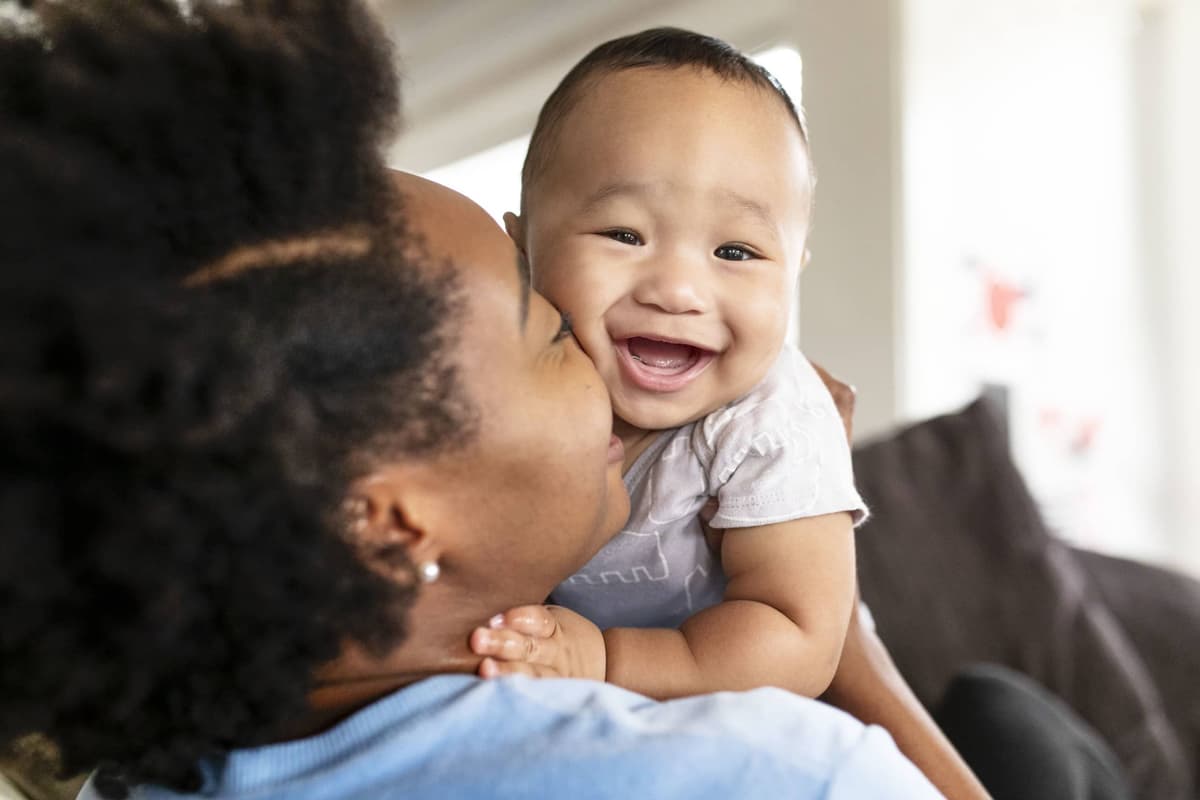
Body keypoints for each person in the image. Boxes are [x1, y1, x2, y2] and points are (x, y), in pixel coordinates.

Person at [0, 2, 944, 799]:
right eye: (549, 328)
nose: (609, 338)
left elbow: (795, 628)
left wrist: (833, 626)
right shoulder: (783, 775)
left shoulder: (126, 782)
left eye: (735, 251)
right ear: (392, 525)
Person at [477, 26, 864, 703]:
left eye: (737, 252)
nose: (678, 292)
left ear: (792, 274)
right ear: (522, 251)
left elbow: (798, 640)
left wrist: (605, 659)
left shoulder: (772, 419)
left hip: (731, 702)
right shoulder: (497, 381)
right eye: (624, 234)